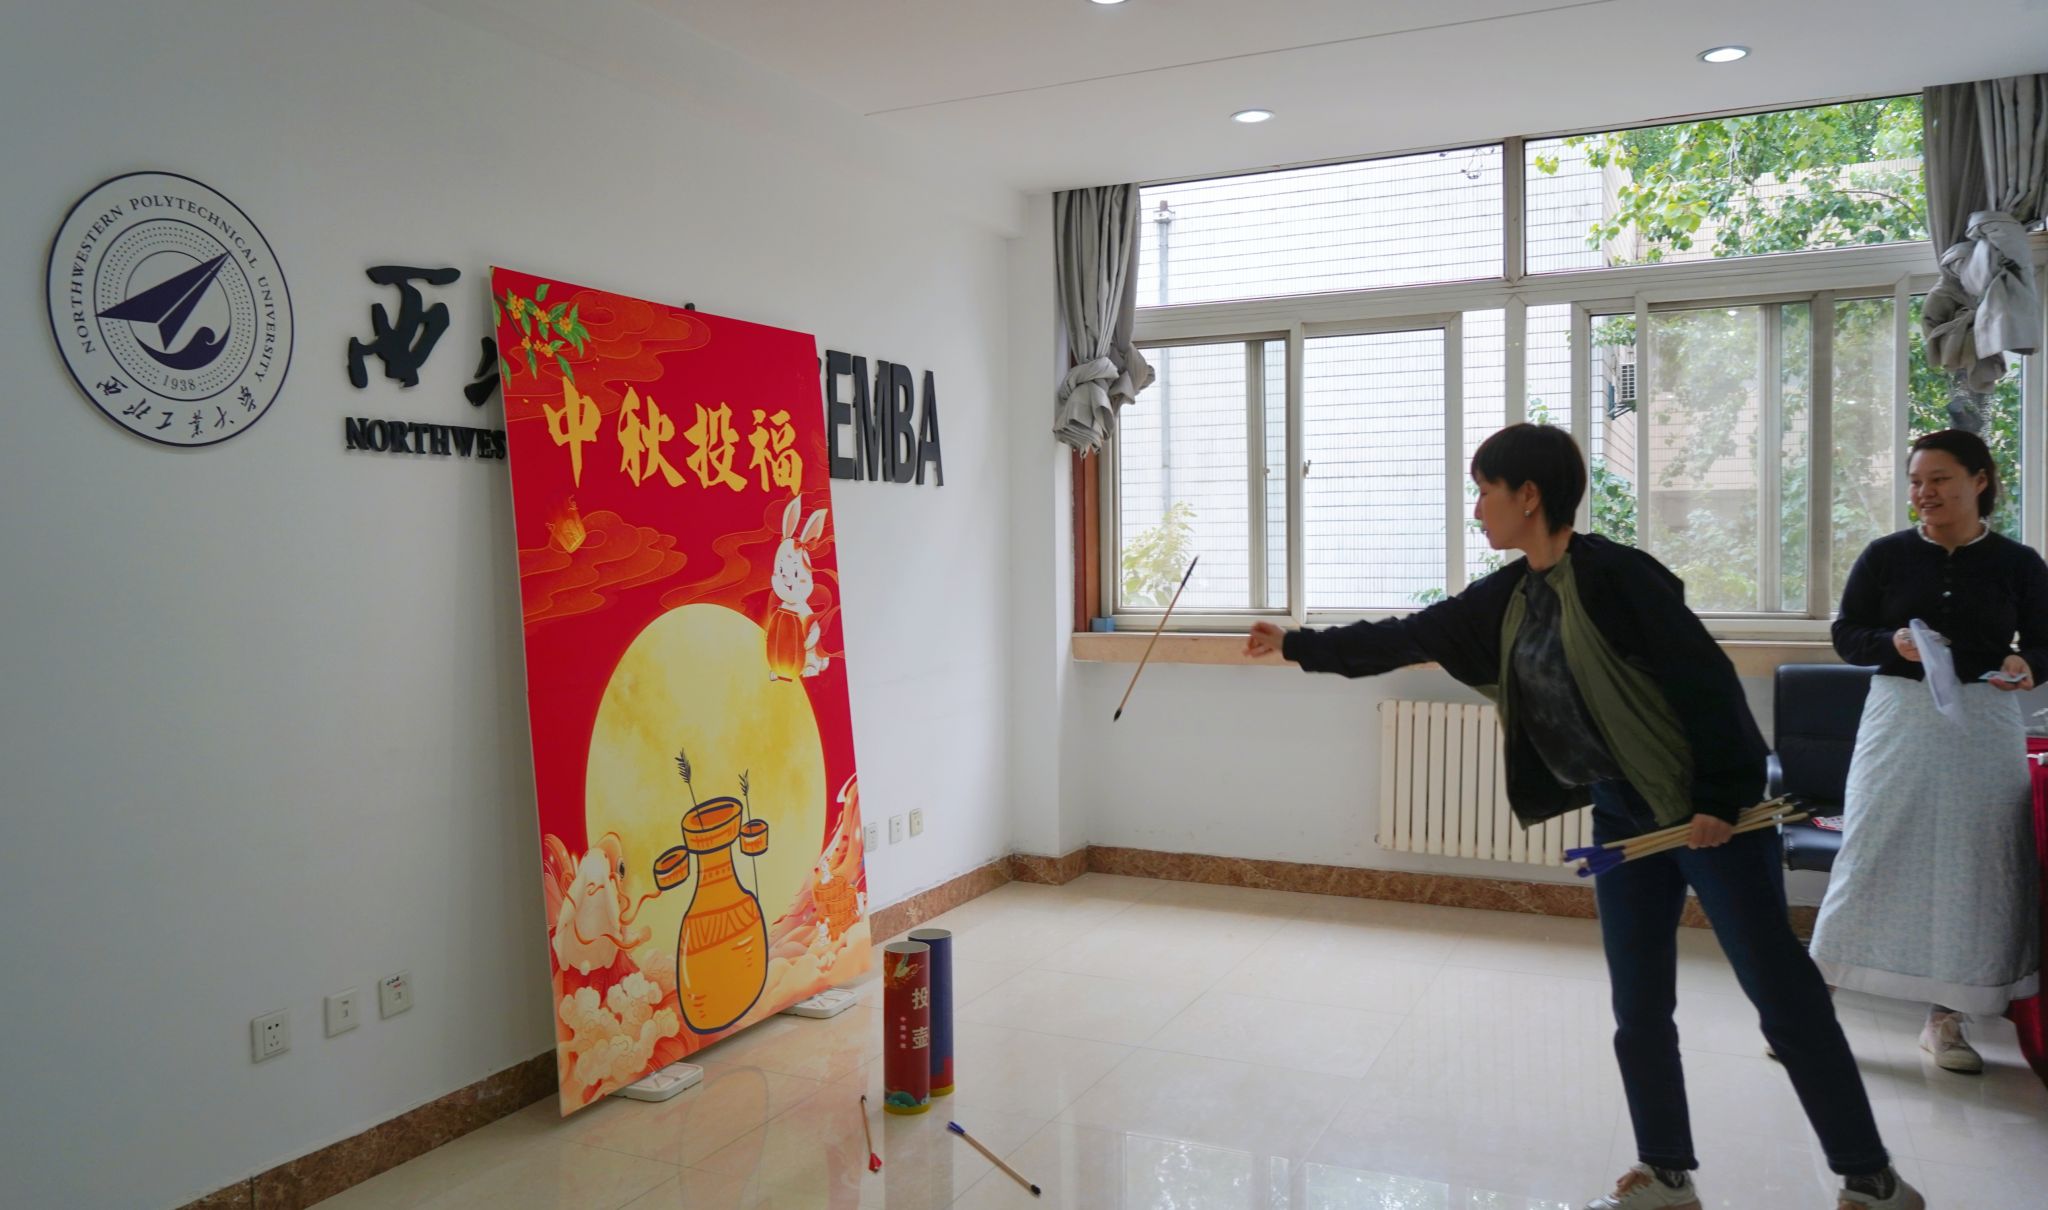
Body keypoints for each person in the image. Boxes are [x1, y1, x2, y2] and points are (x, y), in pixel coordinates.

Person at [1246, 424, 1919, 1210]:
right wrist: (1295, 643)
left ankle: (1872, 1178)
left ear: (1529, 496)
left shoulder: (1619, 577)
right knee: (1639, 1005)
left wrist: (1717, 800)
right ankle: (1666, 1174)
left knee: (1782, 995)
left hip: (1712, 812)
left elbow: (1706, 684)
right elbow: (1405, 636)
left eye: (1484, 491)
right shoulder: (1509, 594)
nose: (1476, 509)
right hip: (1622, 813)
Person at [1812, 428, 2045, 1073]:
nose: (1924, 493)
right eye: (1916, 482)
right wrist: (1891, 643)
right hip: (1900, 716)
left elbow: (2045, 642)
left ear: (1980, 480)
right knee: (1873, 848)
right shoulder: (1885, 556)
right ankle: (1813, 1007)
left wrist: (2026, 664)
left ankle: (1946, 1019)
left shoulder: (2019, 563)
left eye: (1939, 479)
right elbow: (1846, 633)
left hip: (1985, 719)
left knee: (1977, 861)